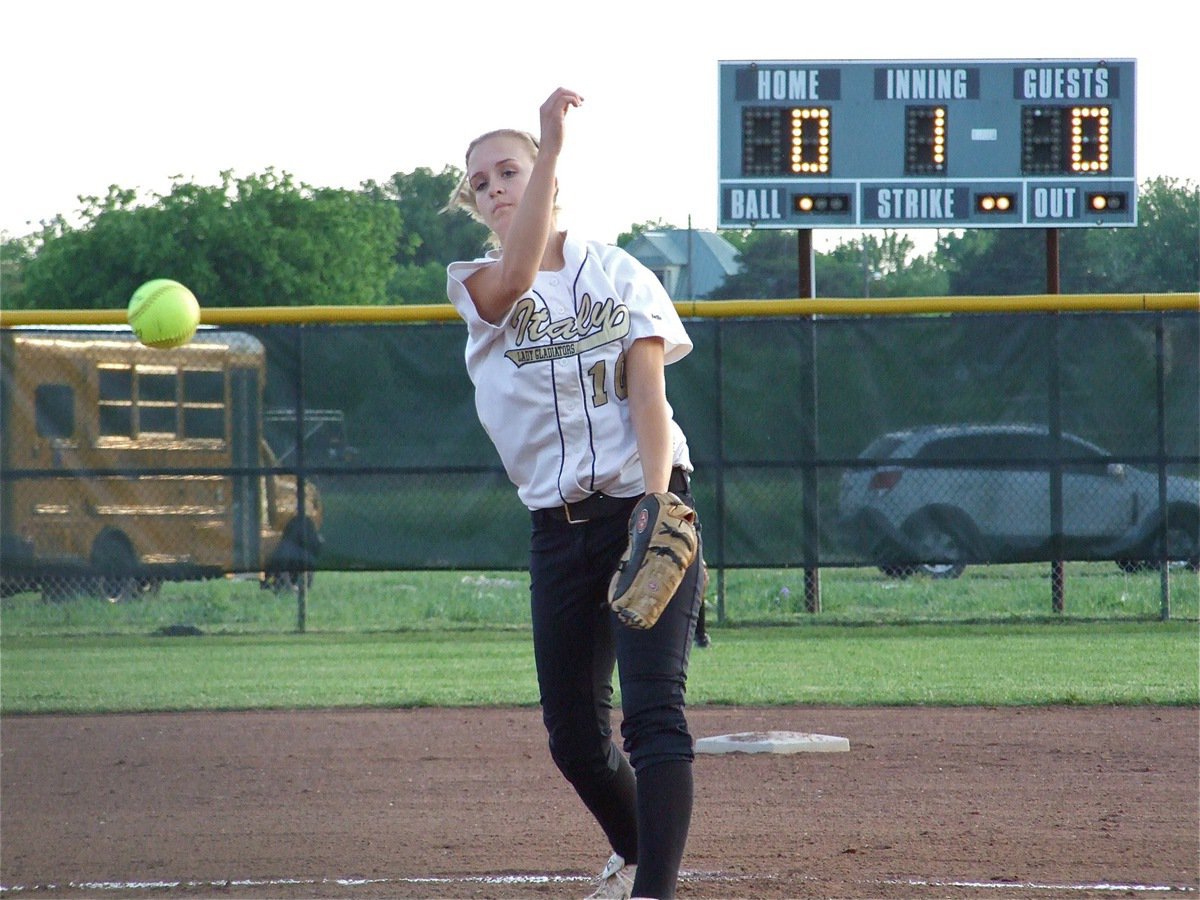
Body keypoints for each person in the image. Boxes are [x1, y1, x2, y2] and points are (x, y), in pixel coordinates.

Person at [443, 88, 705, 900]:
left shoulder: (620, 273)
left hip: (642, 504)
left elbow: (648, 399)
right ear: (472, 204)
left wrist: (657, 507)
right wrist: (549, 150)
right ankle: (638, 856)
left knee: (654, 710)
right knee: (575, 739)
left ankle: (655, 890)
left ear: (547, 179)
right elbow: (519, 275)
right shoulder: (479, 284)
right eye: (481, 182)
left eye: (509, 170)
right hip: (557, 529)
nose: (495, 188)